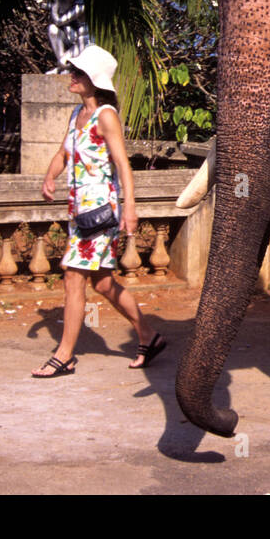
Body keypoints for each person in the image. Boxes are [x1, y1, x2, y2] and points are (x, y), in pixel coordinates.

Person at [32, 44, 165, 377]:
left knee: (73, 277)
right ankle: (148, 335)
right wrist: (49, 177)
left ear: (94, 80)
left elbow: (122, 164)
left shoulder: (106, 116)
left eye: (78, 73)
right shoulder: (76, 116)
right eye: (73, 71)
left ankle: (64, 355)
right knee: (103, 285)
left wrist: (130, 208)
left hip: (102, 213)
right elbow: (64, 155)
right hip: (79, 214)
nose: (71, 76)